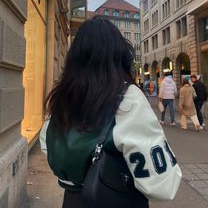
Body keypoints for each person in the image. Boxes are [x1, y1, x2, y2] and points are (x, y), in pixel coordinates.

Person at [40, 16, 182, 208]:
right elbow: (163, 185)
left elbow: (47, 143)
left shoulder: (63, 95)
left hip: (73, 201)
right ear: (120, 55)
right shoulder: (128, 96)